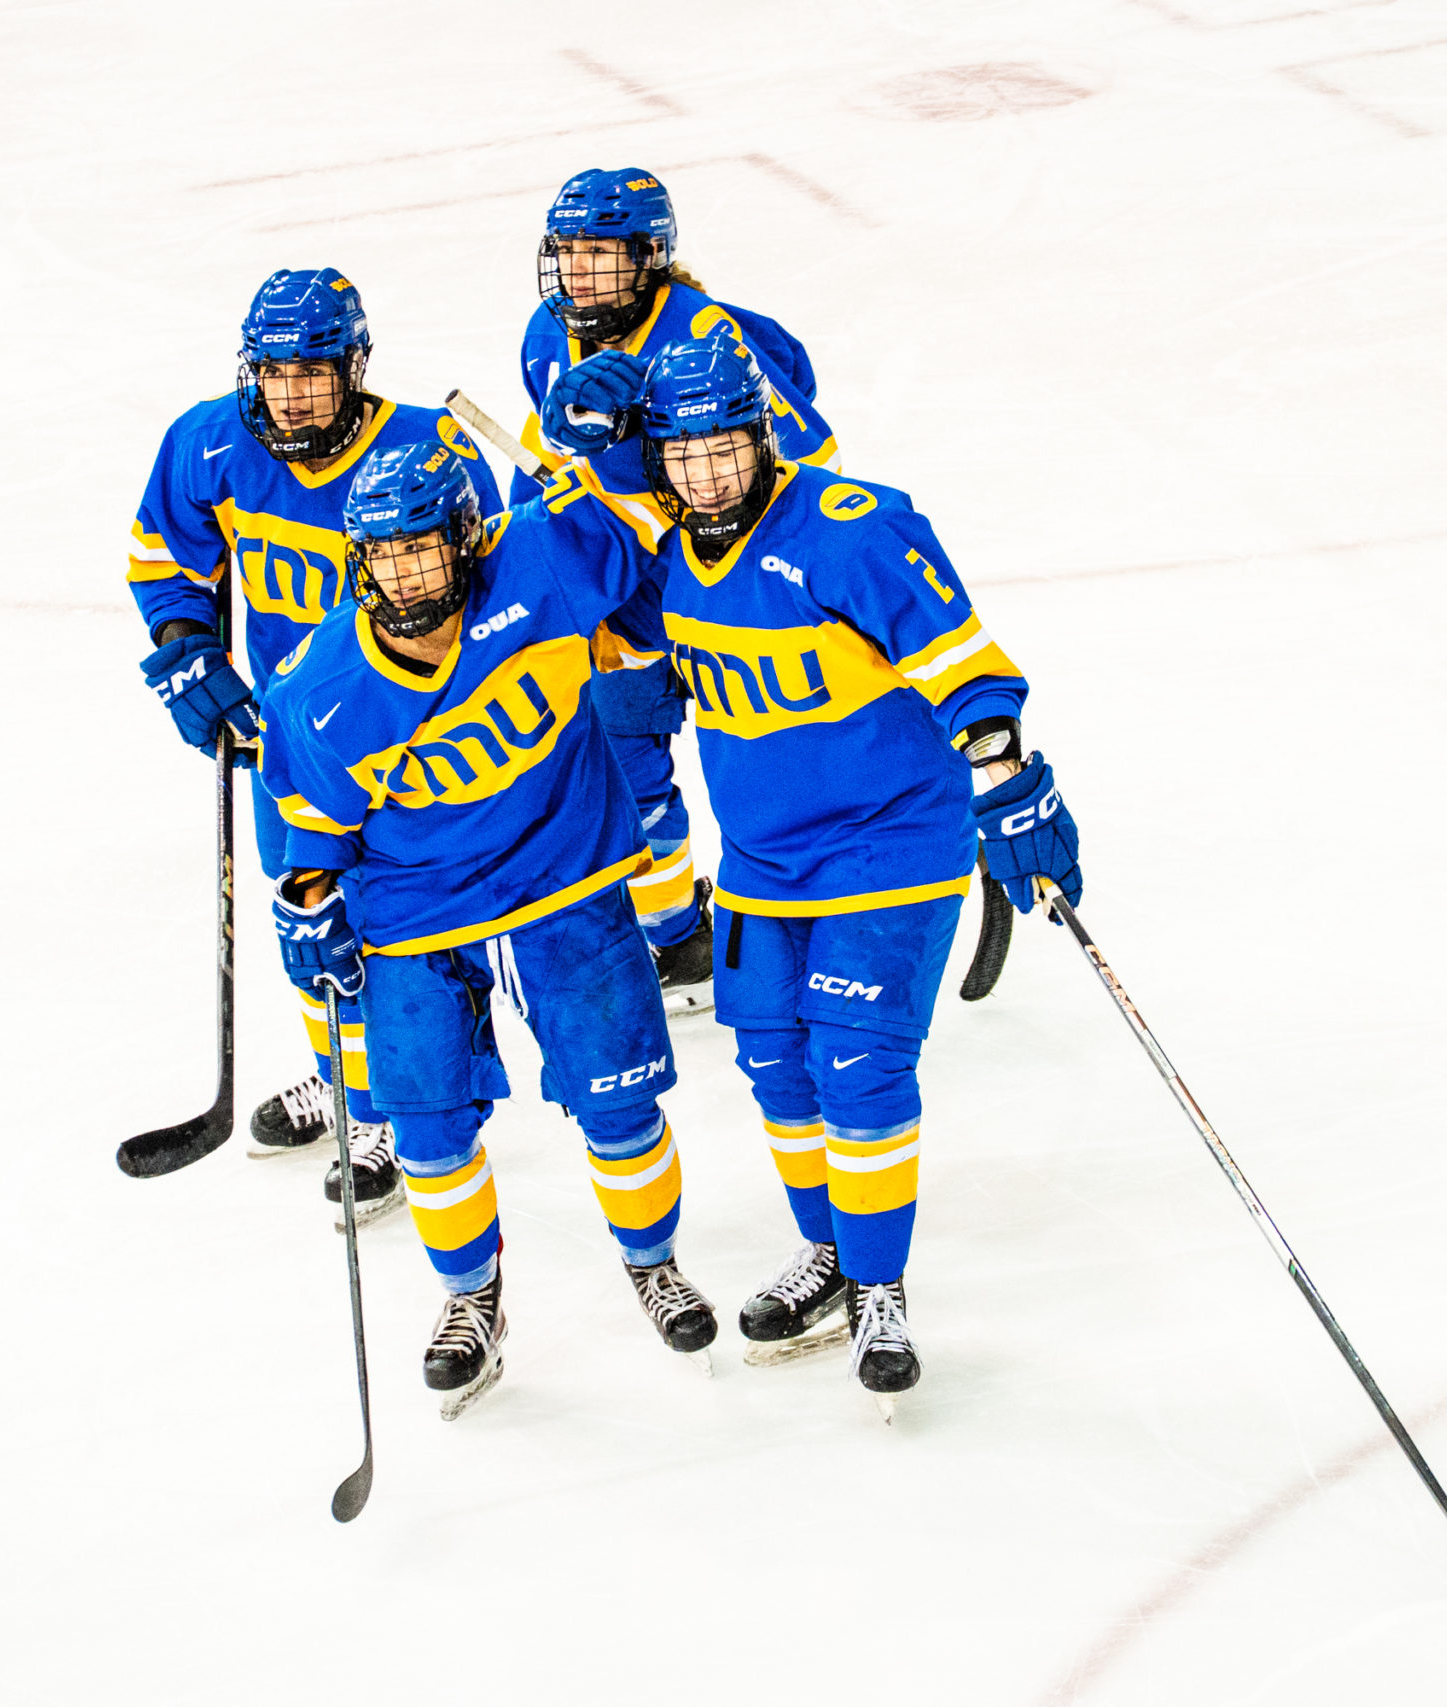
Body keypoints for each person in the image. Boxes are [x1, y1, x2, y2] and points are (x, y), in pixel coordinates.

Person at [588, 337, 1083, 1409]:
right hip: (764, 861)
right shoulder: (663, 551)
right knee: (780, 1071)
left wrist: (1002, 770)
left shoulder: (853, 530)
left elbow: (959, 660)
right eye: (684, 455)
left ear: (764, 438)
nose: (708, 476)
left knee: (860, 1068)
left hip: (890, 846)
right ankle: (830, 1254)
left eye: (728, 450)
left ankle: (879, 1286)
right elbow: (621, 655)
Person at [256, 439, 719, 1417]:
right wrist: (306, 908)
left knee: (619, 1107)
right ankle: (471, 1298)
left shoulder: (541, 559)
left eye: (423, 550)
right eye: (382, 555)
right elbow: (306, 835)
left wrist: (602, 479)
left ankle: (653, 1263)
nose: (405, 575)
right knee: (424, 1131)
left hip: (563, 884)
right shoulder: (320, 688)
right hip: (412, 916)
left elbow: (662, 558)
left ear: (470, 541)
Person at [125, 267, 502, 1227]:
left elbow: (492, 586)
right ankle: (351, 1081)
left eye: (314, 371)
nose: (291, 394)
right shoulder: (210, 439)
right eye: (276, 372)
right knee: (309, 917)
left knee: (398, 924)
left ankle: (400, 1105)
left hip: (417, 741)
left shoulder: (427, 450)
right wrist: (186, 650)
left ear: (355, 367)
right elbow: (164, 557)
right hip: (293, 742)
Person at [511, 168, 840, 1017]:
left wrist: (633, 468)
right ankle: (676, 937)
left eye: (600, 253)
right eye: (568, 252)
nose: (578, 273)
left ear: (650, 256)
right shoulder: (548, 336)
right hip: (624, 601)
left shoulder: (708, 337)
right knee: (626, 772)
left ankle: (877, 882)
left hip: (724, 594)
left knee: (792, 771)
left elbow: (808, 467)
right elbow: (555, 460)